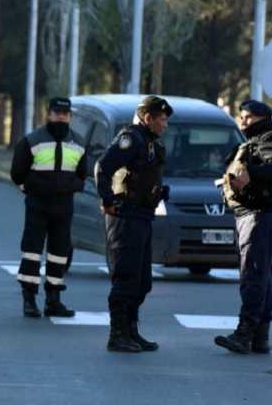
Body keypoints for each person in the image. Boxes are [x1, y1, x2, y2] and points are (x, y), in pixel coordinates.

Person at [214, 100, 272, 354]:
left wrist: (252, 174)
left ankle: (244, 334)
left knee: (253, 275)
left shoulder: (270, 138)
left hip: (261, 215)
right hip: (253, 214)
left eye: (248, 117)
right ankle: (260, 337)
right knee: (261, 276)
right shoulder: (253, 141)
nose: (243, 121)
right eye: (242, 116)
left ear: (263, 118)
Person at [95, 95, 172, 353]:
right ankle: (117, 334)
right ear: (147, 118)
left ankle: (131, 330)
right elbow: (102, 167)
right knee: (126, 277)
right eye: (162, 119)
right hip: (125, 217)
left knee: (142, 281)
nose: (165, 125)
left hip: (143, 215)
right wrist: (107, 199)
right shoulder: (131, 139)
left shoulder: (150, 142)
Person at [9, 97, 86, 318]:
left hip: (64, 205)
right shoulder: (32, 140)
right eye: (56, 112)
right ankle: (29, 300)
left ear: (70, 116)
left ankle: (54, 300)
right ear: (48, 114)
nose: (61, 116)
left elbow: (82, 174)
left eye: (64, 113)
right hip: (38, 204)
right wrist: (32, 189)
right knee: (32, 252)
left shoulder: (79, 143)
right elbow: (17, 173)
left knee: (59, 253)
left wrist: (71, 187)